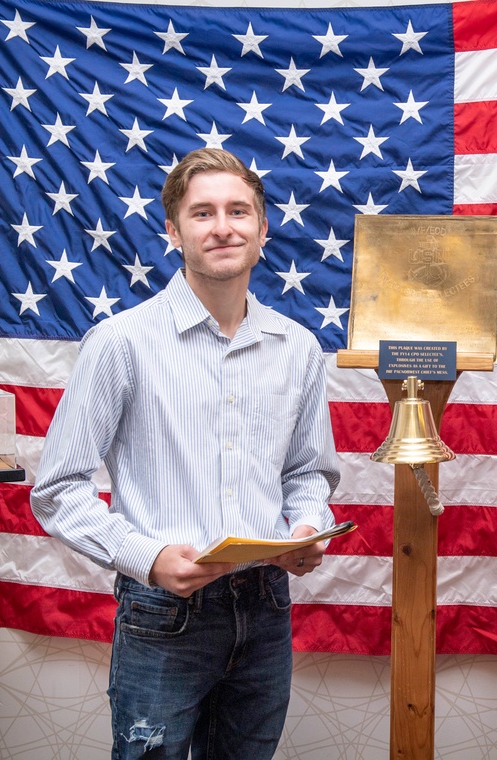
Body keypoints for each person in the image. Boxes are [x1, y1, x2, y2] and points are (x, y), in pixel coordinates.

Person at [31, 148, 340, 760]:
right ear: (173, 231)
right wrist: (147, 560)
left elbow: (307, 471)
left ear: (262, 226)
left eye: (238, 211)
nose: (223, 226)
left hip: (266, 604)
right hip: (162, 612)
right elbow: (58, 489)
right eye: (202, 213)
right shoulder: (121, 343)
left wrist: (308, 526)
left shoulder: (297, 348)